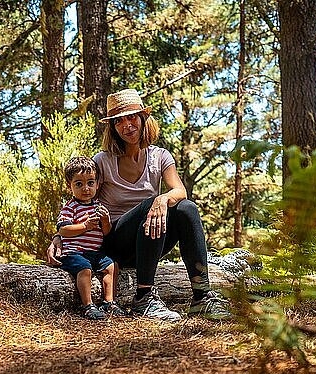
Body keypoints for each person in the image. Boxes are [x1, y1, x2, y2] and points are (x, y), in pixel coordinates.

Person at [48, 89, 231, 321]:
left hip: (150, 244)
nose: (127, 125)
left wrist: (162, 198)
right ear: (113, 128)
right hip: (115, 243)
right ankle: (143, 297)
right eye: (119, 121)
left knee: (187, 208)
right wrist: (59, 237)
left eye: (132, 117)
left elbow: (180, 191)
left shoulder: (160, 156)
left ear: (143, 118)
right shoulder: (102, 161)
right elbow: (80, 196)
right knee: (148, 206)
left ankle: (202, 297)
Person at [55, 156, 128, 320]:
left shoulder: (99, 206)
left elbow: (106, 232)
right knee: (85, 269)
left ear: (97, 184)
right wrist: (85, 226)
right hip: (74, 253)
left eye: (90, 183)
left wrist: (105, 221)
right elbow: (64, 230)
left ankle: (109, 301)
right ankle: (87, 305)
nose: (86, 188)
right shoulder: (70, 207)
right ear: (70, 186)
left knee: (111, 266)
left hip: (95, 252)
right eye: (79, 184)